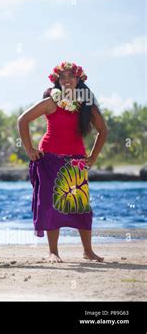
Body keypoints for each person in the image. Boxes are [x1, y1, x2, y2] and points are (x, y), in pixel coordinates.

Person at [17, 61, 107, 263]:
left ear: (79, 80)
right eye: (62, 77)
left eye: (70, 76)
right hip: (49, 159)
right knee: (51, 205)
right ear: (57, 81)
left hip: (75, 161)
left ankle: (88, 251)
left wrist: (93, 157)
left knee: (81, 206)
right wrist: (29, 149)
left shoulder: (86, 105)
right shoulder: (51, 101)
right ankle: (53, 252)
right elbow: (22, 120)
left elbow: (103, 130)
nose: (66, 80)